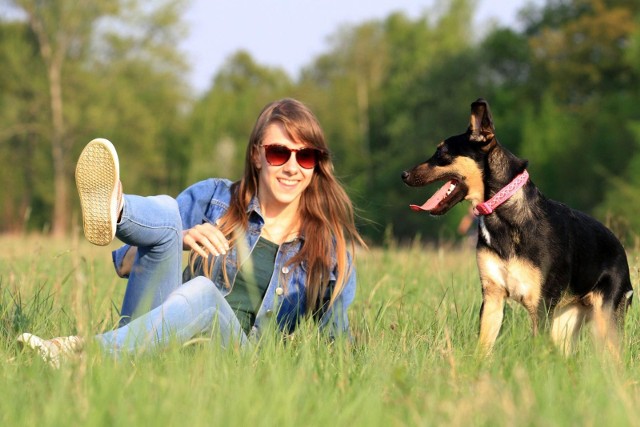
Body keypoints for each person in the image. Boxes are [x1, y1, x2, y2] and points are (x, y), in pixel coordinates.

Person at [18, 98, 365, 368]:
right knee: (169, 215)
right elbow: (126, 266)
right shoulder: (215, 199)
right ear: (257, 156)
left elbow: (333, 346)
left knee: (202, 292)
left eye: (305, 157)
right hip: (157, 338)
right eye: (279, 153)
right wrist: (182, 239)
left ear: (316, 165)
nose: (292, 166)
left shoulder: (329, 250)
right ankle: (118, 211)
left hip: (238, 362)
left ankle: (83, 351)